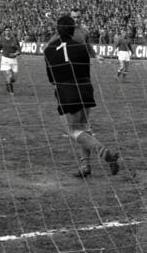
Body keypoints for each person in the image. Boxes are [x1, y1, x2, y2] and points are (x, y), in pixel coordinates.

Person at [44, 15, 119, 178]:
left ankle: (104, 152)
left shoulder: (48, 50)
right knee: (84, 127)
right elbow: (86, 71)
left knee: (72, 131)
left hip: (66, 92)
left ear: (57, 30)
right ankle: (85, 166)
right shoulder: (81, 47)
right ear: (73, 30)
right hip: (85, 89)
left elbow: (51, 79)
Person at [0, 25, 21, 93]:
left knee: (14, 79)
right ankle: (10, 91)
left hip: (13, 60)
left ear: (11, 31)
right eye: (6, 30)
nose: (8, 32)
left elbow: (19, 51)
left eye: (9, 30)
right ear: (4, 31)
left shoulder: (15, 40)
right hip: (5, 59)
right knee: (9, 75)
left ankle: (7, 83)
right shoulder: (2, 39)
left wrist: (14, 54)